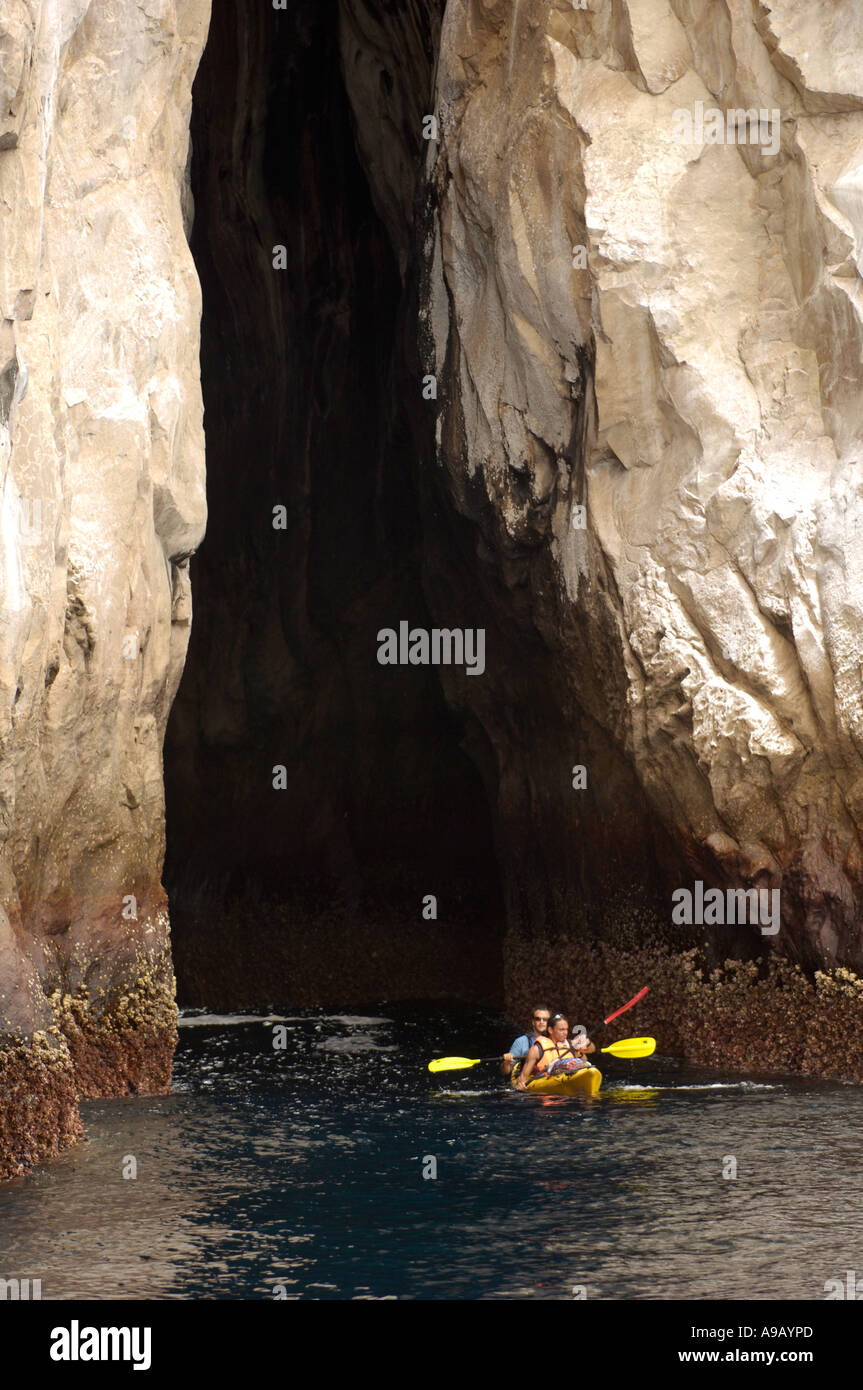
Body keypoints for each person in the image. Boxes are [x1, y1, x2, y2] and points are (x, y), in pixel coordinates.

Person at [515, 1014, 595, 1090]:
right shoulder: (536, 1049)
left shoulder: (571, 1044)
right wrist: (521, 1084)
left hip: (569, 1076)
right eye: (561, 1030)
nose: (566, 1033)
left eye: (566, 1029)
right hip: (546, 1083)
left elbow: (592, 1050)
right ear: (550, 1030)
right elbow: (523, 1077)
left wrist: (588, 1043)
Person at [500, 1005, 551, 1077]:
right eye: (538, 1019)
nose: (541, 1022)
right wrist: (507, 1062)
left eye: (545, 1019)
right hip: (529, 1081)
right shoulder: (521, 1042)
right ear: (533, 1022)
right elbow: (506, 1072)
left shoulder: (555, 1040)